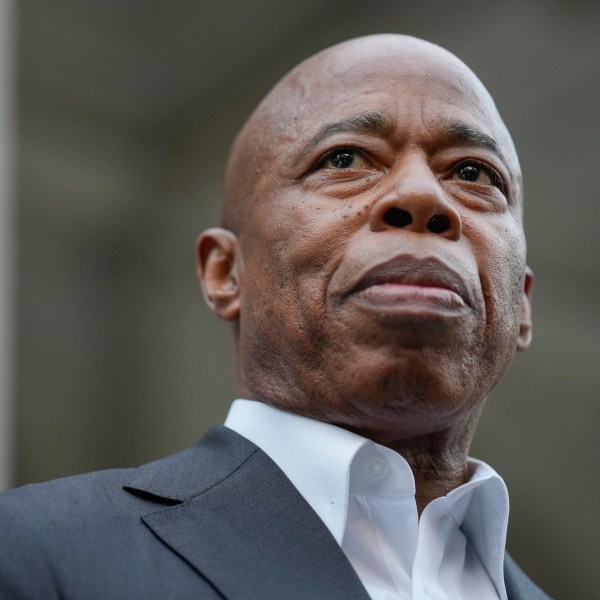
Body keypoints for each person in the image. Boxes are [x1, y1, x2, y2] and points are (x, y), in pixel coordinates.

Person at [0, 34, 550, 599]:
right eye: (344, 159)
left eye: (474, 174)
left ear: (522, 303)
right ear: (224, 272)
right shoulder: (31, 552)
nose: (422, 196)